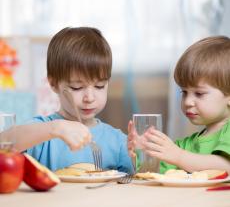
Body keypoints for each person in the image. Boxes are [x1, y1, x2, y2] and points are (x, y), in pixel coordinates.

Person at [4, 27, 133, 173]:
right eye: (77, 87)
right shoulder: (43, 131)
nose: (89, 98)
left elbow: (135, 181)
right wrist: (55, 129)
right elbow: (4, 142)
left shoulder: (118, 141)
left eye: (99, 86)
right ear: (53, 84)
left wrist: (142, 152)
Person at [128, 36, 230, 174]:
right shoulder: (186, 145)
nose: (187, 101)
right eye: (184, 92)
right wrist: (142, 153)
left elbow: (225, 166)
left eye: (199, 93)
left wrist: (178, 156)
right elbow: (151, 173)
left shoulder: (181, 152)